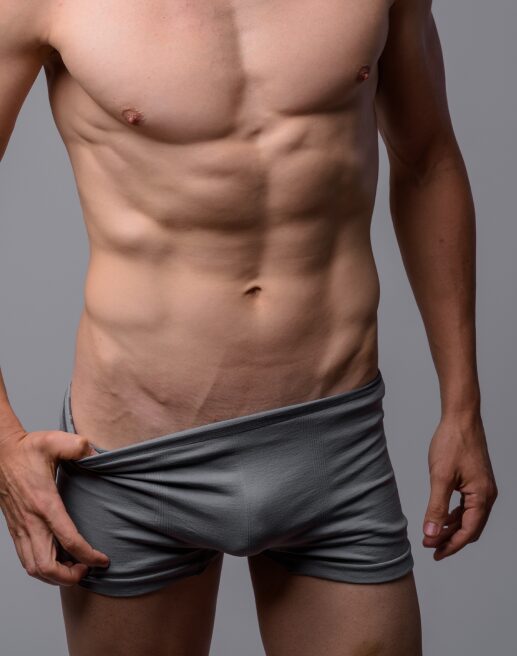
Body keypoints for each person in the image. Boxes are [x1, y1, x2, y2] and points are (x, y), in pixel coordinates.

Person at [0, 0, 498, 654]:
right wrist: (3, 443)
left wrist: (462, 406)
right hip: (132, 458)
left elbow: (427, 160)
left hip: (333, 445)